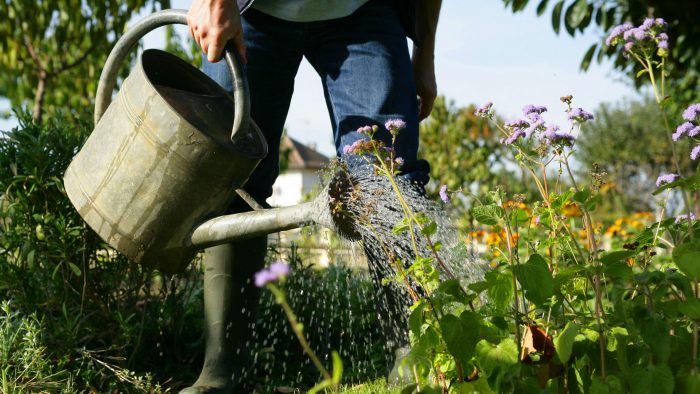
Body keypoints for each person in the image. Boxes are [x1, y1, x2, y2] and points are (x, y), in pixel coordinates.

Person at [181, 0, 441, 392]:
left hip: (365, 12)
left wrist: (425, 52)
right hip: (250, 11)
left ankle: (414, 367)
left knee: (390, 183)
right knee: (231, 176)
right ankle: (222, 372)